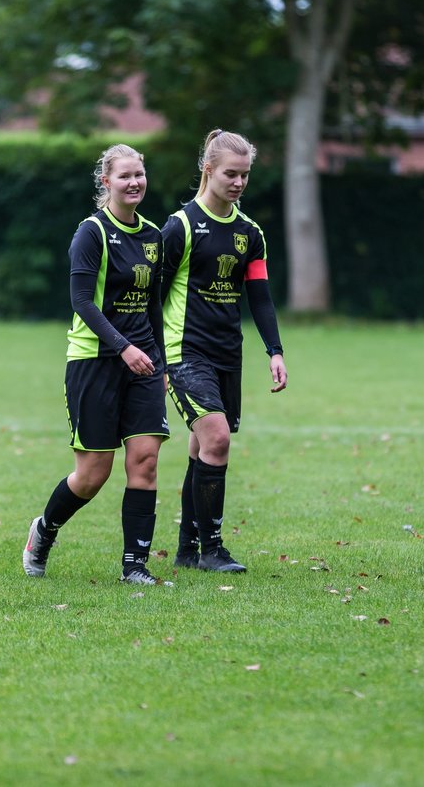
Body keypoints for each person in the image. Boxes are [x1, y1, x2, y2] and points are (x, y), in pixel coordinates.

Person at [22, 144, 168, 585]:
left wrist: (159, 364)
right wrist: (123, 347)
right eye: (124, 175)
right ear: (105, 182)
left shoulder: (152, 236)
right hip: (94, 362)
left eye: (139, 174)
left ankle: (135, 567)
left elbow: (153, 306)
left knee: (144, 460)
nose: (134, 182)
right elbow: (81, 301)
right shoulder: (92, 233)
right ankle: (43, 532)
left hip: (142, 365)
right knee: (92, 475)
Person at [160, 129, 287, 574]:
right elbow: (155, 296)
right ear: (208, 170)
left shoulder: (250, 233)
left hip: (226, 354)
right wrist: (156, 359)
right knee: (216, 438)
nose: (238, 183)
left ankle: (186, 552)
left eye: (245, 175)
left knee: (201, 449)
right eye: (231, 174)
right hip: (184, 352)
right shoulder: (180, 227)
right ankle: (213, 549)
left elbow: (260, 296)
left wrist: (274, 350)